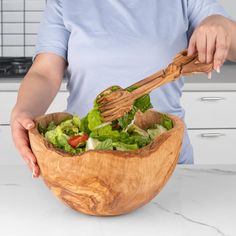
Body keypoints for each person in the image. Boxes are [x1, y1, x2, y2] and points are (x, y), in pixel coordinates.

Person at [10, 0, 236, 178]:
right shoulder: (64, 3)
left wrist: (220, 23)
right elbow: (45, 72)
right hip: (85, 161)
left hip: (166, 162)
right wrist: (23, 111)